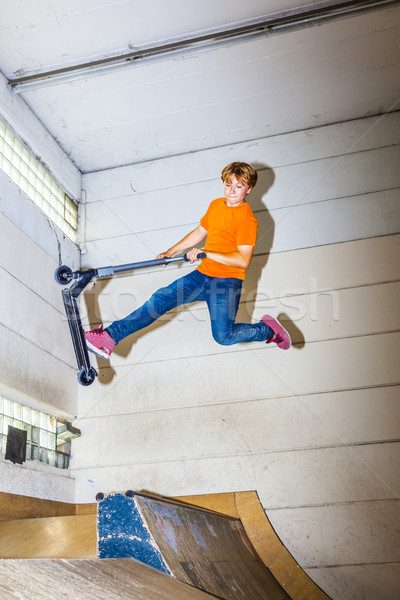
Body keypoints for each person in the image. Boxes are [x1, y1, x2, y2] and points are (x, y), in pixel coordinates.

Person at [85, 161, 291, 359]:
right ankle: (109, 337)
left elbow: (242, 260)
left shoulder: (248, 220)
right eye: (228, 184)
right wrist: (170, 251)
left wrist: (206, 253)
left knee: (223, 337)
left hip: (226, 283)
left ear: (249, 189)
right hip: (202, 276)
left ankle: (267, 330)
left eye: (239, 186)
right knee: (160, 299)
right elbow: (200, 232)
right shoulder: (216, 205)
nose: (231, 190)